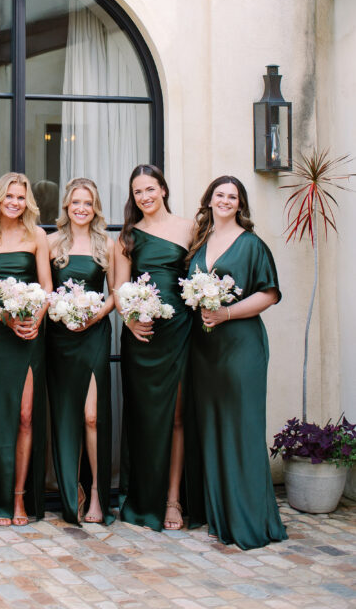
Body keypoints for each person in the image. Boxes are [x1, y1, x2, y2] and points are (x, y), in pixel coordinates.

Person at [185, 175, 287, 550]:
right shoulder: (200, 243)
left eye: (233, 196)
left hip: (241, 347)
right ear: (209, 200)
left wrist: (226, 314)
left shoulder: (252, 245)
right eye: (220, 195)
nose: (226, 201)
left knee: (241, 428)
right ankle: (220, 515)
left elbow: (270, 294)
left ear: (240, 204)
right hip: (205, 349)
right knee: (212, 428)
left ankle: (249, 519)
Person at [0, 172, 52, 526]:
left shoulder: (38, 235)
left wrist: (33, 319)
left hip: (29, 335)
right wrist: (5, 318)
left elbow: (47, 287)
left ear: (27, 201)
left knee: (25, 415)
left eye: (20, 197)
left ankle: (18, 498)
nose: (14, 203)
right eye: (9, 197)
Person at [114, 164, 193, 531]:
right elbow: (118, 287)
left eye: (150, 189)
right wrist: (130, 320)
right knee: (143, 419)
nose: (144, 197)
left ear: (163, 189)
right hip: (141, 337)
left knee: (176, 417)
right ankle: (142, 498)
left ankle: (173, 501)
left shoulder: (188, 228)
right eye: (137, 192)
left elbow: (202, 274)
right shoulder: (128, 237)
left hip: (178, 332)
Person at [46, 178, 115, 525]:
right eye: (76, 202)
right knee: (66, 416)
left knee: (91, 417)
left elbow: (116, 294)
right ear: (67, 206)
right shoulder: (51, 243)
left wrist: (93, 316)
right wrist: (63, 313)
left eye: (88, 203)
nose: (81, 208)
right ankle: (72, 490)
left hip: (94, 333)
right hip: (60, 336)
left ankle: (99, 494)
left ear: (95, 207)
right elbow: (45, 290)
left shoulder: (108, 245)